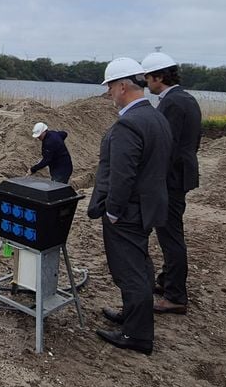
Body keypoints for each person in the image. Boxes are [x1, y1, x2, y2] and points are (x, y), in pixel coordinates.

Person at [87, 57, 172, 355]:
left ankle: (136, 335)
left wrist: (112, 211)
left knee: (130, 270)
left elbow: (122, 175)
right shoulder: (156, 117)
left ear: (123, 86)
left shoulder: (129, 124)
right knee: (141, 264)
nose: (109, 92)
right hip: (148, 207)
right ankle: (132, 314)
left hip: (128, 211)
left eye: (110, 86)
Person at [140, 52, 203, 316]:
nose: (147, 84)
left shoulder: (173, 104)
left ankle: (175, 295)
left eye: (148, 78)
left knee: (171, 236)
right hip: (180, 174)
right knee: (170, 231)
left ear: (159, 77)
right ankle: (167, 281)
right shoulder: (185, 99)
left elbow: (166, 146)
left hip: (172, 178)